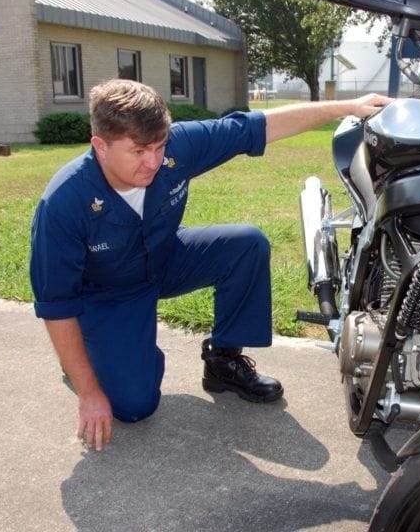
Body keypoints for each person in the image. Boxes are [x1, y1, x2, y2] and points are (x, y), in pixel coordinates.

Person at [30, 79, 391, 451]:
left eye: (159, 146)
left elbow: (257, 127)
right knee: (135, 406)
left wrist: (347, 107)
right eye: (138, 151)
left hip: (165, 258)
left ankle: (223, 362)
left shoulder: (178, 147)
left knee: (246, 245)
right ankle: (92, 359)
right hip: (108, 293)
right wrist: (89, 392)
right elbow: (57, 305)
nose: (153, 162)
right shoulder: (64, 202)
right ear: (100, 146)